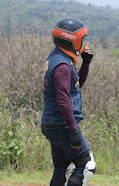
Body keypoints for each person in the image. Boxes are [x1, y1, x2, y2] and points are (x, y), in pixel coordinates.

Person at [41, 17, 96, 186]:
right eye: (83, 38)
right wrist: (72, 129)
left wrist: (85, 64)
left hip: (53, 123)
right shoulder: (63, 66)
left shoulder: (58, 59)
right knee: (86, 166)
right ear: (73, 40)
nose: (84, 42)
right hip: (62, 124)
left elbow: (75, 86)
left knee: (63, 169)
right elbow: (63, 98)